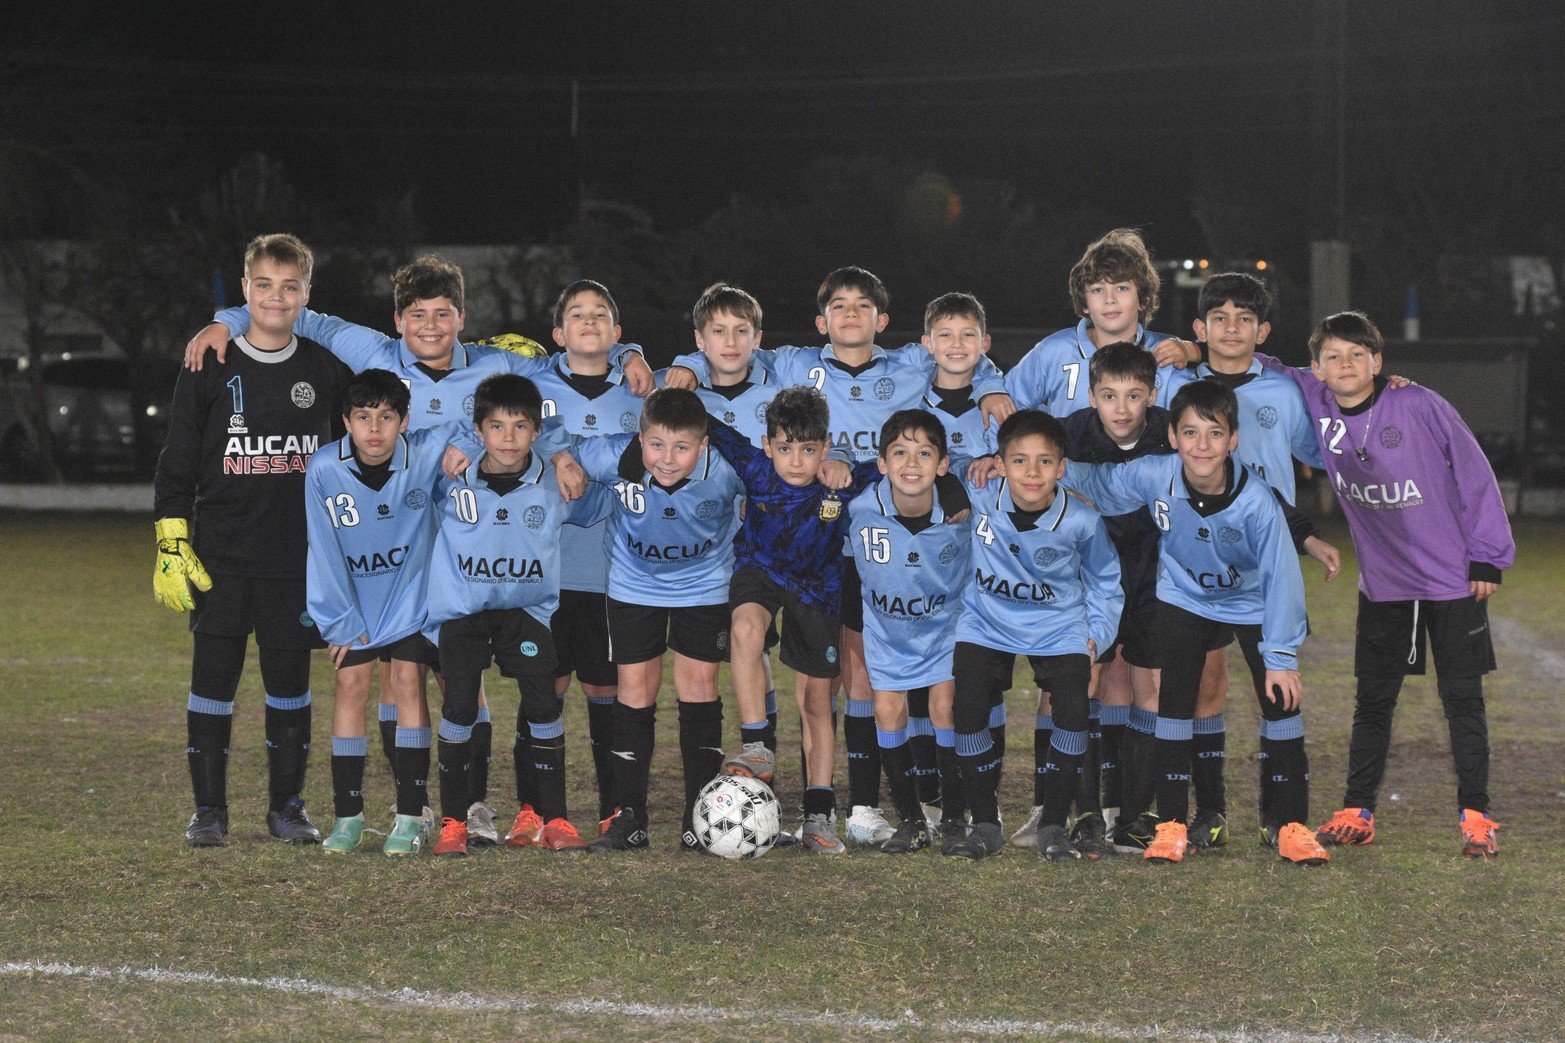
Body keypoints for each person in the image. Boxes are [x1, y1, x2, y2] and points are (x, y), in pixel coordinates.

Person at [184, 256, 648, 843]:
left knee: (463, 680)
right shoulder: (375, 354)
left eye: (444, 315)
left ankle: (471, 805)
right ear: (397, 319)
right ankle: (417, 806)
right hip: (395, 549)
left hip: (462, 551)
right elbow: (307, 317)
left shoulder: (492, 364)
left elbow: (557, 375)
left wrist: (619, 370)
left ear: (461, 317)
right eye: (417, 315)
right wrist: (226, 319)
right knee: (396, 678)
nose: (430, 327)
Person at [669, 266, 1014, 846]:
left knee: (869, 681)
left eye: (863, 307)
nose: (850, 315)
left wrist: (992, 383)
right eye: (838, 306)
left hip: (871, 547)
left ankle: (891, 805)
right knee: (843, 680)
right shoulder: (791, 363)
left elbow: (961, 352)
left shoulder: (909, 363)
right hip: (820, 547)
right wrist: (687, 363)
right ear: (819, 320)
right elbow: (730, 351)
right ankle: (849, 800)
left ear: (882, 320)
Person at [1256, 311, 1514, 859]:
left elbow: (1475, 472)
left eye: (1357, 354)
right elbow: (1260, 362)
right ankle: (1357, 812)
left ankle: (1477, 816)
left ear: (1378, 361)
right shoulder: (1318, 399)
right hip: (1384, 584)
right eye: (1333, 356)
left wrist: (1487, 557)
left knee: (1462, 700)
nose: (1345, 365)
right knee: (1373, 701)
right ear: (1318, 367)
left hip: (1451, 580)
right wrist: (1186, 349)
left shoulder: (1418, 403)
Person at [1065, 381, 1332, 865]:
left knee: (1280, 702)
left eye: (1215, 433)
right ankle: (1171, 827)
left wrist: (1281, 658)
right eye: (1190, 432)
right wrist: (1041, 466)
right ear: (1172, 436)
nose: (1202, 445)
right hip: (1184, 599)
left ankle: (1292, 827)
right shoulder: (1157, 475)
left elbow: (1281, 581)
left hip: (1249, 603)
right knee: (1174, 706)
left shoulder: (1256, 503)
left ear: (1233, 440)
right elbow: (1100, 482)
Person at [155, 233, 352, 847]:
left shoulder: (325, 368)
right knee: (213, 681)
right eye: (263, 285)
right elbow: (177, 460)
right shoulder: (208, 362)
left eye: (289, 287)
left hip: (295, 559)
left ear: (306, 295)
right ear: (245, 290)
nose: (275, 297)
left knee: (289, 686)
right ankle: (208, 812)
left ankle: (286, 808)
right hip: (220, 558)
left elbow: (356, 453)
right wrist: (169, 537)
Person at [710, 386, 968, 853]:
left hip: (820, 586)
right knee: (745, 629)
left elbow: (912, 471)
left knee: (817, 699)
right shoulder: (755, 467)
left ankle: (819, 814)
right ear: (767, 446)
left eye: (808, 450)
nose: (795, 461)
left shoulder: (844, 481)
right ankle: (756, 744)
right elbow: (706, 424)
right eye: (784, 448)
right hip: (761, 571)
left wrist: (949, 488)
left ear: (826, 447)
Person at [1159, 271, 1329, 847]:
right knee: (1202, 687)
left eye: (1245, 320)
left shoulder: (1283, 392)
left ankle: (1284, 820)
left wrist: (1382, 400)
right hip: (1193, 567)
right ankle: (1208, 813)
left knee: (1277, 690)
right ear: (1199, 328)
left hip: (1263, 570)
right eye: (1220, 319)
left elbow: (1321, 448)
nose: (1232, 330)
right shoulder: (1174, 385)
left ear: (1264, 332)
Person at [421, 374, 607, 856]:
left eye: (521, 426)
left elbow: (604, 502)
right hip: (464, 612)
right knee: (459, 705)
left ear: (537, 431)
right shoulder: (451, 476)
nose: (508, 438)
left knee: (544, 705)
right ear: (478, 430)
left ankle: (556, 819)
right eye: (496, 427)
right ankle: (453, 822)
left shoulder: (555, 477)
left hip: (527, 612)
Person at [557, 389, 743, 853]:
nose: (666, 458)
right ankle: (629, 819)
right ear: (639, 438)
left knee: (698, 690)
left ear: (703, 446)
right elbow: (555, 442)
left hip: (703, 585)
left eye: (682, 447)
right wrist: (562, 460)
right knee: (634, 691)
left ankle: (698, 821)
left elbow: (781, 473)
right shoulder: (611, 454)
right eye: (656, 444)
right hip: (633, 585)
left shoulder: (728, 466)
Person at [948, 410, 1123, 861]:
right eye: (1019, 460)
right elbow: (933, 459)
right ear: (1001, 463)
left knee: (1073, 711)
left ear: (1061, 468)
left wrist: (1096, 637)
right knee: (966, 709)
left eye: (1045, 462)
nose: (1032, 472)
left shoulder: (1081, 519)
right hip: (986, 621)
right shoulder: (980, 490)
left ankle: (1052, 825)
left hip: (1058, 626)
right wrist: (979, 456)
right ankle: (985, 821)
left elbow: (1106, 581)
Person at [304, 369, 449, 855]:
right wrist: (339, 619)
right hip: (355, 605)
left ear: (405, 421)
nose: (374, 429)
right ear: (346, 421)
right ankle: (347, 817)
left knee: (408, 682)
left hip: (410, 601)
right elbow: (321, 547)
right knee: (350, 687)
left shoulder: (426, 456)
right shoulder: (324, 468)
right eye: (363, 417)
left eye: (386, 417)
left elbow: (481, 423)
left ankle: (410, 815)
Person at [848, 410, 972, 853]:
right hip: (887, 632)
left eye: (924, 453)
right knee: (886, 713)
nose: (911, 463)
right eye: (899, 453)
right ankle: (912, 820)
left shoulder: (963, 511)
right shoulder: (859, 508)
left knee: (945, 708)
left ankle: (956, 816)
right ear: (881, 463)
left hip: (945, 628)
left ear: (943, 464)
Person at [1005, 228, 1195, 417]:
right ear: (1084, 302)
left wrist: (1195, 351)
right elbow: (1003, 408)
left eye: (1121, 288)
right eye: (1097, 290)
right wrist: (989, 393)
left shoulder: (1167, 353)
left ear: (1143, 300)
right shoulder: (1053, 352)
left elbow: (1204, 417)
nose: (1109, 299)